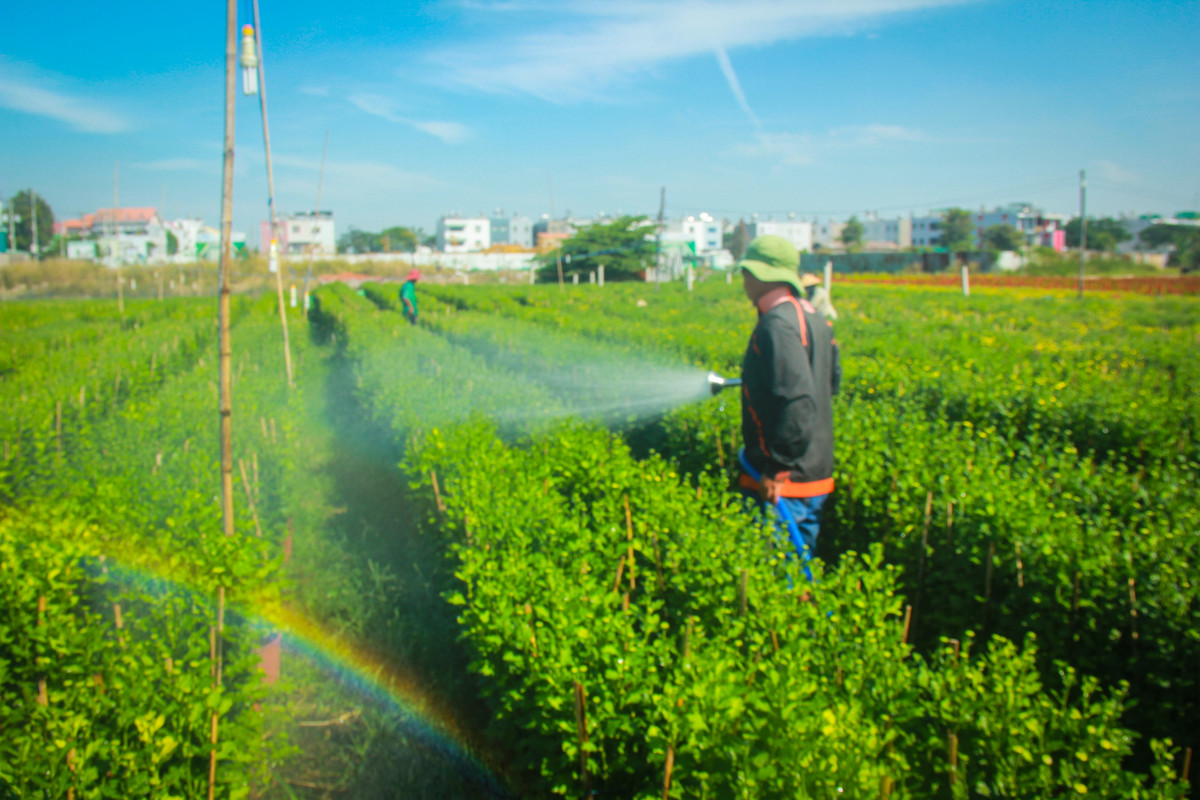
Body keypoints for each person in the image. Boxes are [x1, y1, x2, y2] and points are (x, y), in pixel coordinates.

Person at [736, 236, 840, 568]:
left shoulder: (777, 325)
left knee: (776, 574)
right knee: (797, 565)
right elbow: (829, 383)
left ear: (762, 275)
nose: (744, 280)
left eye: (747, 272)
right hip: (814, 470)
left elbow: (798, 400)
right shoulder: (814, 316)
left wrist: (777, 468)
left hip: (786, 482)